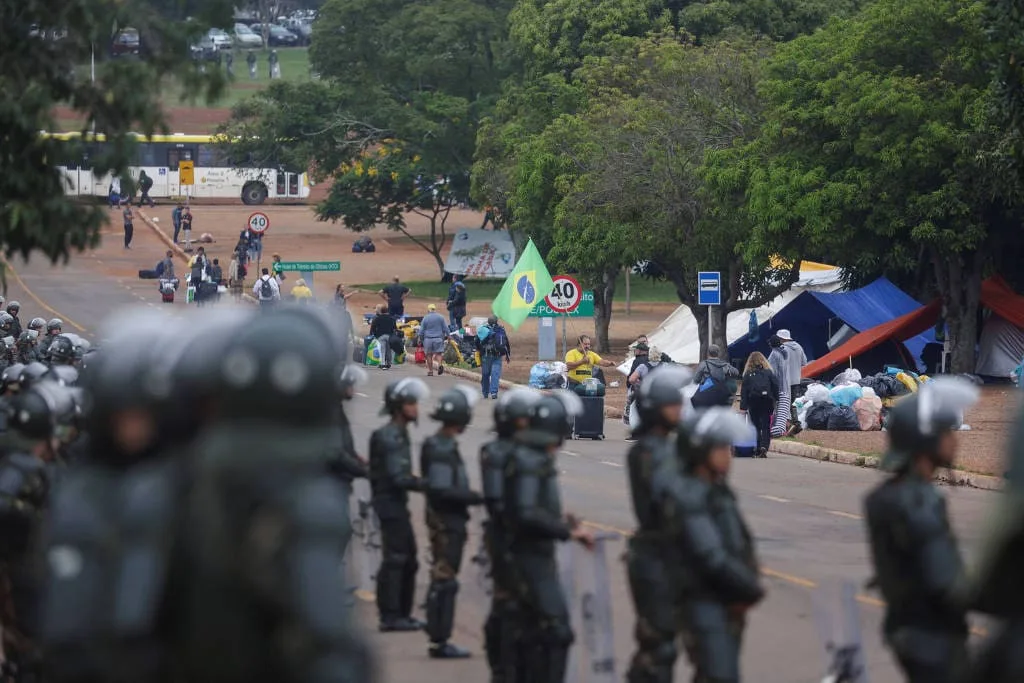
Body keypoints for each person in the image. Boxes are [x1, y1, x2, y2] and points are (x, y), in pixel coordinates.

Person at [863, 377, 980, 683]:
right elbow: (945, 581)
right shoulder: (919, 501)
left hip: (908, 631)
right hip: (934, 638)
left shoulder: (886, 496)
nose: (954, 440)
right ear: (926, 439)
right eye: (946, 432)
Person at [655, 407, 764, 683]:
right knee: (719, 674)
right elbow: (710, 555)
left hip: (726, 598)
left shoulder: (716, 489)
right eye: (720, 448)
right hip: (703, 599)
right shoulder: (691, 495)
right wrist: (748, 587)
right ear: (699, 451)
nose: (727, 454)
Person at [504, 391, 595, 683]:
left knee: (531, 631)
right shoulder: (531, 460)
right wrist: (568, 531)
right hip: (530, 558)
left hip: (529, 554)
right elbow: (527, 513)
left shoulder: (530, 456)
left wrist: (561, 518)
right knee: (556, 630)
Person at [625, 365, 693, 683]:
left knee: (662, 642)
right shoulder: (651, 453)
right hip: (656, 553)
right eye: (672, 405)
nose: (679, 410)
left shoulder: (663, 448)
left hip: (667, 552)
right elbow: (672, 501)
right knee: (658, 644)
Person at [480, 389, 540, 683]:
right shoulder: (497, 453)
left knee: (518, 607)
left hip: (514, 536)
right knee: (508, 607)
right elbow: (499, 502)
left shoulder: (516, 452)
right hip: (506, 537)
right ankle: (503, 669)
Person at [420, 385, 484, 658]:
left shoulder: (440, 443)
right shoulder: (441, 447)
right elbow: (442, 490)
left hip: (447, 519)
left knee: (443, 577)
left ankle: (438, 634)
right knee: (445, 579)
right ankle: (439, 639)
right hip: (446, 522)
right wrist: (476, 498)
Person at [370, 377, 430, 632]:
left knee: (409, 560)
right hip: (389, 504)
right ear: (397, 406)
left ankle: (401, 614)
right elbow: (398, 477)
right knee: (396, 559)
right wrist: (428, 485)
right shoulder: (390, 436)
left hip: (395, 503)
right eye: (410, 403)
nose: (415, 408)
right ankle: (391, 616)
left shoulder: (398, 433)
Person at [739, 351, 780, 458]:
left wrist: (743, 408)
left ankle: (757, 447)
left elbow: (744, 392)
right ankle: (764, 447)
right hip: (767, 401)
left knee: (756, 426)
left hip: (753, 402)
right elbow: (775, 386)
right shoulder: (768, 372)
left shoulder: (747, 375)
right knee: (766, 426)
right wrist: (776, 399)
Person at [691, 344, 740, 409]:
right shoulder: (724, 365)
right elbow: (736, 372)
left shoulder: (704, 364)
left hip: (706, 393)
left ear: (708, 353)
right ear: (718, 353)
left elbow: (696, 380)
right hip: (721, 393)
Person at [477, 315, 511, 399]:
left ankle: (485, 392)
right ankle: (494, 393)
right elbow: (506, 342)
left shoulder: (483, 329)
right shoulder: (500, 329)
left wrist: (479, 352)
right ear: (497, 321)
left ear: (488, 322)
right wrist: (507, 355)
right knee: (495, 374)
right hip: (497, 356)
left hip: (486, 356)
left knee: (485, 374)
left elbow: (477, 342)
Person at [766, 336, 794, 437]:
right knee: (781, 414)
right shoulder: (783, 354)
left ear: (771, 344)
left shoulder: (774, 355)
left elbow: (773, 375)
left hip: (778, 390)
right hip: (785, 388)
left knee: (776, 413)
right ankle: (786, 427)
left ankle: (777, 431)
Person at [623, 341, 653, 432]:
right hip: (650, 390)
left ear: (639, 351)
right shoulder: (650, 360)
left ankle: (635, 431)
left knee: (633, 411)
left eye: (636, 350)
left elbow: (632, 377)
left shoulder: (637, 361)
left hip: (637, 389)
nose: (635, 351)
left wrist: (630, 385)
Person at [775, 329, 807, 404]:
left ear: (781, 339)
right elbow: (804, 362)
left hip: (784, 383)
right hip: (796, 381)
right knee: (793, 404)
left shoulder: (781, 349)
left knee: (784, 407)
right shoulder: (799, 346)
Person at [420, 303, 449, 376]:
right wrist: (449, 336)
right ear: (434, 309)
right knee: (439, 353)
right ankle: (439, 365)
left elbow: (421, 331)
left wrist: (420, 338)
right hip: (438, 338)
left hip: (428, 339)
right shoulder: (440, 317)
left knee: (429, 355)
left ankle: (430, 371)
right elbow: (445, 328)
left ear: (428, 310)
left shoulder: (425, 318)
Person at [369, 304, 398, 370]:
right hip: (389, 336)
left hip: (380, 336)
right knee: (389, 350)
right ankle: (389, 363)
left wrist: (375, 334)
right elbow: (395, 328)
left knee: (382, 350)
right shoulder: (392, 318)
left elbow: (373, 327)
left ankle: (382, 364)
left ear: (381, 311)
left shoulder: (378, 318)